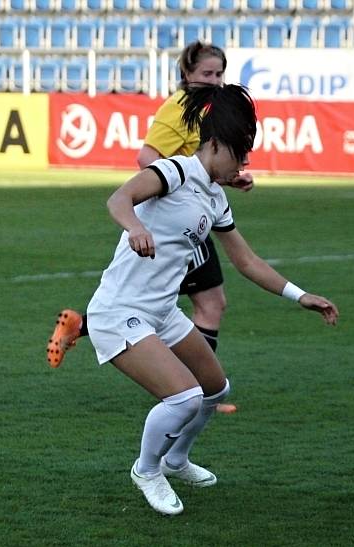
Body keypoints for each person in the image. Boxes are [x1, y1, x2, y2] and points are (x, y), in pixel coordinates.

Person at [84, 83, 338, 516]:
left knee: (214, 389)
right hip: (118, 311)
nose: (242, 165)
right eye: (238, 154)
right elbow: (118, 197)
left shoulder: (216, 197)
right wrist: (134, 228)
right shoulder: (174, 172)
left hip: (161, 312)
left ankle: (177, 459)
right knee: (182, 397)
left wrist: (300, 296)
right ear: (215, 144)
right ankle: (147, 470)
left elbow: (246, 260)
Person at [47, 41, 250, 391]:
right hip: (179, 218)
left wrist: (220, 181)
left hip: (194, 210)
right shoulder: (179, 108)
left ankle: (84, 326)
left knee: (183, 302)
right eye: (207, 73)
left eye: (219, 74)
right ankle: (195, 388)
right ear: (186, 73)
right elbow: (146, 157)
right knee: (207, 303)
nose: (215, 81)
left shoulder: (206, 110)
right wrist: (173, 184)